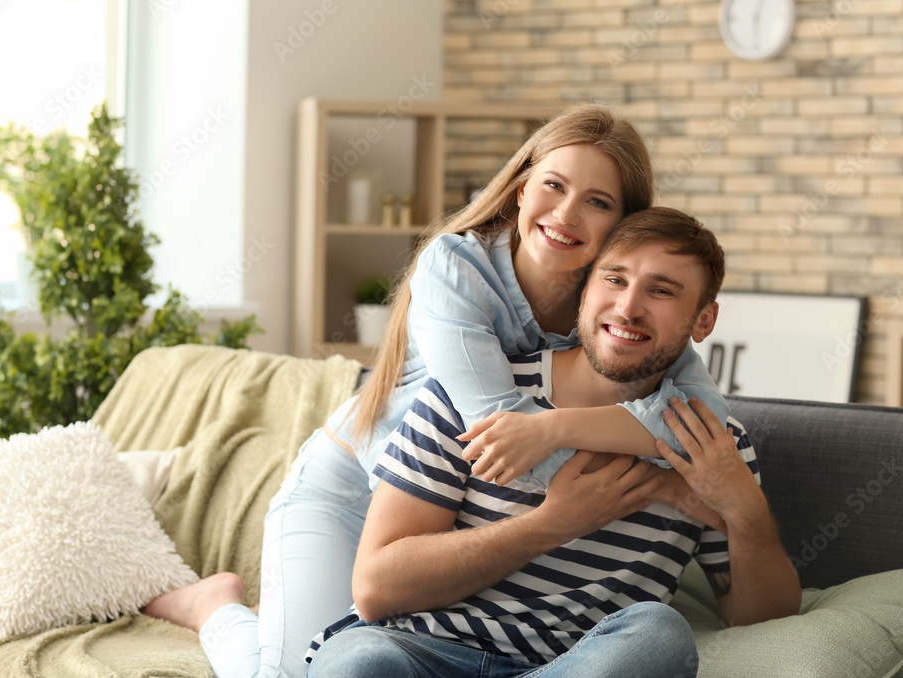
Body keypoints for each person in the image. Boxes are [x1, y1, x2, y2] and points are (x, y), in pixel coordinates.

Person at [144, 105, 729, 677]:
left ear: (623, 227)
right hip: (352, 486)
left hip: (444, 508)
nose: (567, 214)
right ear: (521, 190)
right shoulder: (457, 267)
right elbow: (499, 433)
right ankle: (217, 609)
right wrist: (638, 486)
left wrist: (579, 436)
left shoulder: (611, 302)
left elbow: (704, 413)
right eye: (553, 185)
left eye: (597, 202)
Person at [306, 207, 802, 677]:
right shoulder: (475, 395)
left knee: (659, 634)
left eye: (662, 291)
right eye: (614, 279)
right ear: (584, 292)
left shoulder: (712, 446)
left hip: (571, 664)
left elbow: (760, 618)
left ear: (703, 321)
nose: (628, 308)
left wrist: (746, 511)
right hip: (418, 652)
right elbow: (376, 589)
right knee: (358, 661)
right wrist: (550, 525)